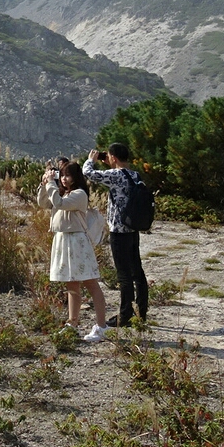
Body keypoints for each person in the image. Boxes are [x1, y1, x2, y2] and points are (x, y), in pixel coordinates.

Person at [36, 160, 107, 343]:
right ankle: (72, 324)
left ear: (76, 177)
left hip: (77, 241)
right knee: (71, 284)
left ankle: (101, 326)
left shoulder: (79, 194)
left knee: (90, 282)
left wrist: (52, 184)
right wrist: (45, 184)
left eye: (68, 175)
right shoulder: (62, 192)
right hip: (62, 239)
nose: (64, 179)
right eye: (62, 175)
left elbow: (59, 204)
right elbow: (43, 203)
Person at [84, 142, 149, 327]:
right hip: (133, 229)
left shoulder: (115, 175)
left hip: (118, 231)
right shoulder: (135, 175)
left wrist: (91, 160)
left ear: (113, 157)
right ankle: (142, 312)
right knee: (137, 271)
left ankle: (125, 315)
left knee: (123, 275)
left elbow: (88, 173)